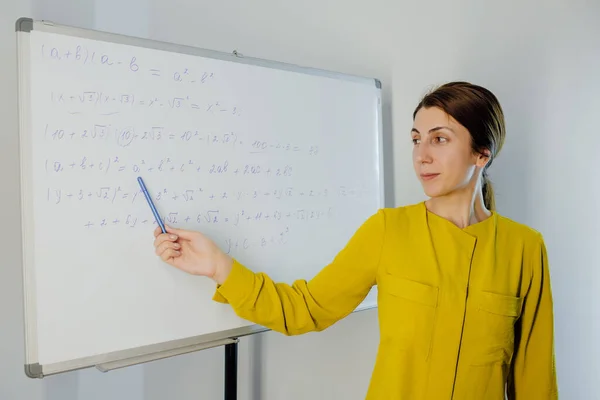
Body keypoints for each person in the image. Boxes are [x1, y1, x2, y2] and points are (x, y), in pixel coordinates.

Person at [153, 81, 558, 399]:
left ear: (481, 154)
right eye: (416, 139)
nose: (421, 156)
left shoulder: (524, 248)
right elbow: (305, 309)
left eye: (440, 138)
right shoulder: (388, 231)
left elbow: (535, 378)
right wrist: (218, 267)